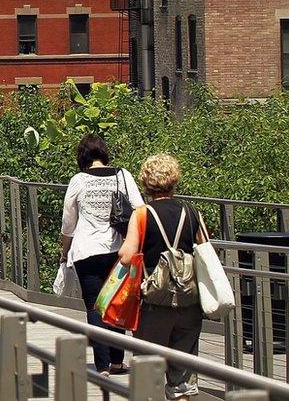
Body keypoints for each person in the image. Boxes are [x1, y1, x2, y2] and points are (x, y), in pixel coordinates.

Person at [119, 154, 204, 400]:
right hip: (189, 303)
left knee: (148, 369)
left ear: (145, 183)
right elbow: (206, 249)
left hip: (153, 304)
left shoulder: (142, 214)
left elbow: (127, 256)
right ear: (174, 180)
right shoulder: (191, 211)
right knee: (183, 377)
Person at [60, 134, 145, 377]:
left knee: (94, 306)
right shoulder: (123, 175)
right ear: (104, 153)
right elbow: (139, 211)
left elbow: (68, 222)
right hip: (119, 250)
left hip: (86, 251)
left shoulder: (79, 180)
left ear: (83, 157)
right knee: (117, 303)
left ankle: (103, 364)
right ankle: (118, 361)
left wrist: (64, 251)